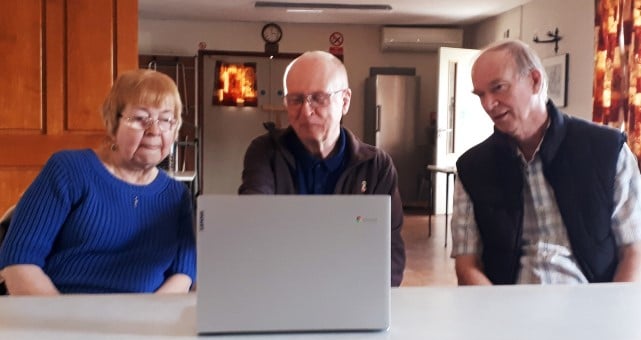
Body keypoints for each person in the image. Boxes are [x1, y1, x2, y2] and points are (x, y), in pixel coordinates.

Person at [450, 39, 641, 285]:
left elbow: (634, 250)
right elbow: (467, 265)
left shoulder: (607, 151)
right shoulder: (473, 167)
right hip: (508, 309)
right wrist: (496, 315)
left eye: (498, 88)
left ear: (535, 81)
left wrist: (609, 313)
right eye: (481, 95)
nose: (488, 104)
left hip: (593, 306)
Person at [0, 69, 196, 294]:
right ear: (114, 123)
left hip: (143, 322)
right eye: (141, 118)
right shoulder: (69, 170)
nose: (154, 130)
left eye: (165, 120)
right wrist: (61, 324)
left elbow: (183, 273)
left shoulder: (176, 194)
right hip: (62, 313)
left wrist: (148, 320)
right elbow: (19, 261)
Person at [238, 51, 406, 286]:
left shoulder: (376, 166)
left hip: (352, 292)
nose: (306, 111)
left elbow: (390, 253)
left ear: (345, 101)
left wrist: (375, 302)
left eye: (318, 98)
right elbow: (254, 224)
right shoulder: (265, 153)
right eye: (295, 99)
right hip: (283, 288)